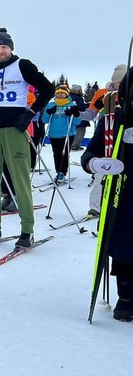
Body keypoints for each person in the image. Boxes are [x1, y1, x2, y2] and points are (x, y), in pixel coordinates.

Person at [0, 28, 54, 249]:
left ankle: (27, 230)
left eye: (4, 47)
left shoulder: (22, 65)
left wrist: (29, 113)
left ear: (10, 48)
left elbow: (47, 89)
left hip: (14, 131)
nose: (0, 51)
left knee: (20, 180)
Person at [81, 69, 132, 321]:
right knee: (124, 240)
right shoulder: (113, 118)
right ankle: (127, 295)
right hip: (122, 192)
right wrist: (96, 163)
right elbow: (89, 153)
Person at [41, 84, 80, 184]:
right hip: (53, 134)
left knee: (64, 153)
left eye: (62, 93)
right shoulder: (51, 105)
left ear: (67, 94)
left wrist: (74, 114)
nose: (60, 95)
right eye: (58, 93)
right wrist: (48, 112)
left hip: (67, 134)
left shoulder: (71, 105)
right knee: (56, 153)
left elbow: (77, 122)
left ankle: (62, 172)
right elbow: (44, 120)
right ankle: (58, 171)